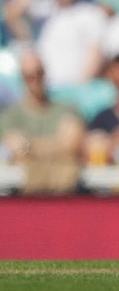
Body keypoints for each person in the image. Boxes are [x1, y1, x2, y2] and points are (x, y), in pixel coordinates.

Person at [0, 51, 85, 194]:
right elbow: (17, 149)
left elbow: (72, 146)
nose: (35, 79)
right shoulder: (10, 115)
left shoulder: (67, 109)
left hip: (66, 190)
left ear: (45, 74)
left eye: (38, 73)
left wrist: (30, 146)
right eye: (29, 75)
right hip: (24, 194)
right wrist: (58, 144)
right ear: (22, 77)